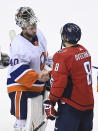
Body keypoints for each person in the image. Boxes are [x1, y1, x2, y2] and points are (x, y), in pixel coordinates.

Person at [44, 23, 94, 131]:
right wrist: (53, 72)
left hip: (71, 107)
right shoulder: (85, 51)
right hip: (88, 107)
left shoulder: (62, 55)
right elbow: (75, 72)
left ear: (64, 37)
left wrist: (51, 101)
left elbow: (59, 83)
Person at [7, 7, 49, 131]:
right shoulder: (18, 45)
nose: (34, 28)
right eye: (31, 27)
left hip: (38, 82)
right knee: (21, 108)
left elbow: (43, 56)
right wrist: (38, 76)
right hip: (19, 84)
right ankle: (20, 125)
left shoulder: (39, 34)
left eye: (34, 24)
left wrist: (53, 61)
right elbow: (17, 72)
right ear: (23, 27)